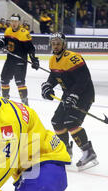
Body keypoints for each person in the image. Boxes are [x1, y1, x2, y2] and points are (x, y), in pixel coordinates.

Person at [41, 32, 98, 171]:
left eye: (58, 43)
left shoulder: (73, 58)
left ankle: (88, 152)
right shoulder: (53, 60)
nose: (55, 46)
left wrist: (74, 95)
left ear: (64, 44)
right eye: (53, 43)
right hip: (69, 94)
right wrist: (48, 86)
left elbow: (83, 79)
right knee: (57, 122)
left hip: (84, 94)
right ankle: (65, 151)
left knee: (71, 122)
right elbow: (54, 76)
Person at [0, 13, 39, 106]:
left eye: (16, 21)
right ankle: (5, 100)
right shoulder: (8, 30)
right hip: (10, 60)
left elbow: (30, 48)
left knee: (20, 82)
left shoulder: (24, 33)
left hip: (20, 61)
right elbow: (6, 41)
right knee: (4, 80)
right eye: (12, 21)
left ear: (19, 22)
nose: (14, 23)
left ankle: (25, 103)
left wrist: (34, 60)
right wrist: (0, 43)